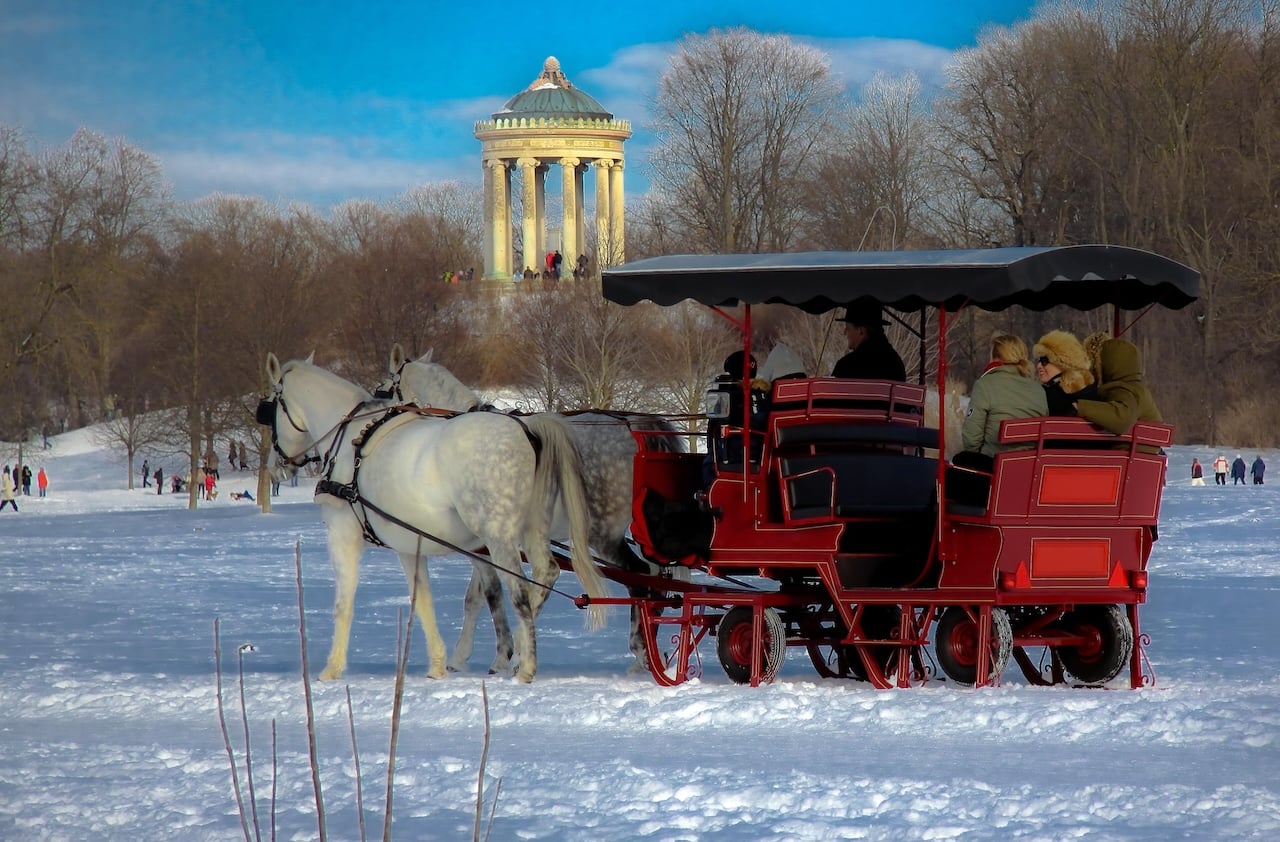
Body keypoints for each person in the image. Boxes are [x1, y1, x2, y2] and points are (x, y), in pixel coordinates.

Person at [957, 334, 1049, 470]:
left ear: (995, 358)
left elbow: (971, 440)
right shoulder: (1039, 390)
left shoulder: (985, 385)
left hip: (993, 465)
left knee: (960, 459)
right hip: (1029, 468)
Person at [1075, 338, 1161, 436]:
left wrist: (1079, 407)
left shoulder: (1125, 390)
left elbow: (1122, 418)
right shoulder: (1137, 389)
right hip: (1134, 447)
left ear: (1107, 364)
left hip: (1125, 450)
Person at [831, 301, 906, 381]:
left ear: (861, 331)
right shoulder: (896, 364)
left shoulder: (846, 366)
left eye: (848, 328)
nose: (845, 333)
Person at [1032, 330, 1099, 415]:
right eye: (1038, 361)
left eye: (1044, 361)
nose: (1039, 366)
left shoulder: (1046, 395)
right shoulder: (1092, 391)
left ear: (1063, 363)